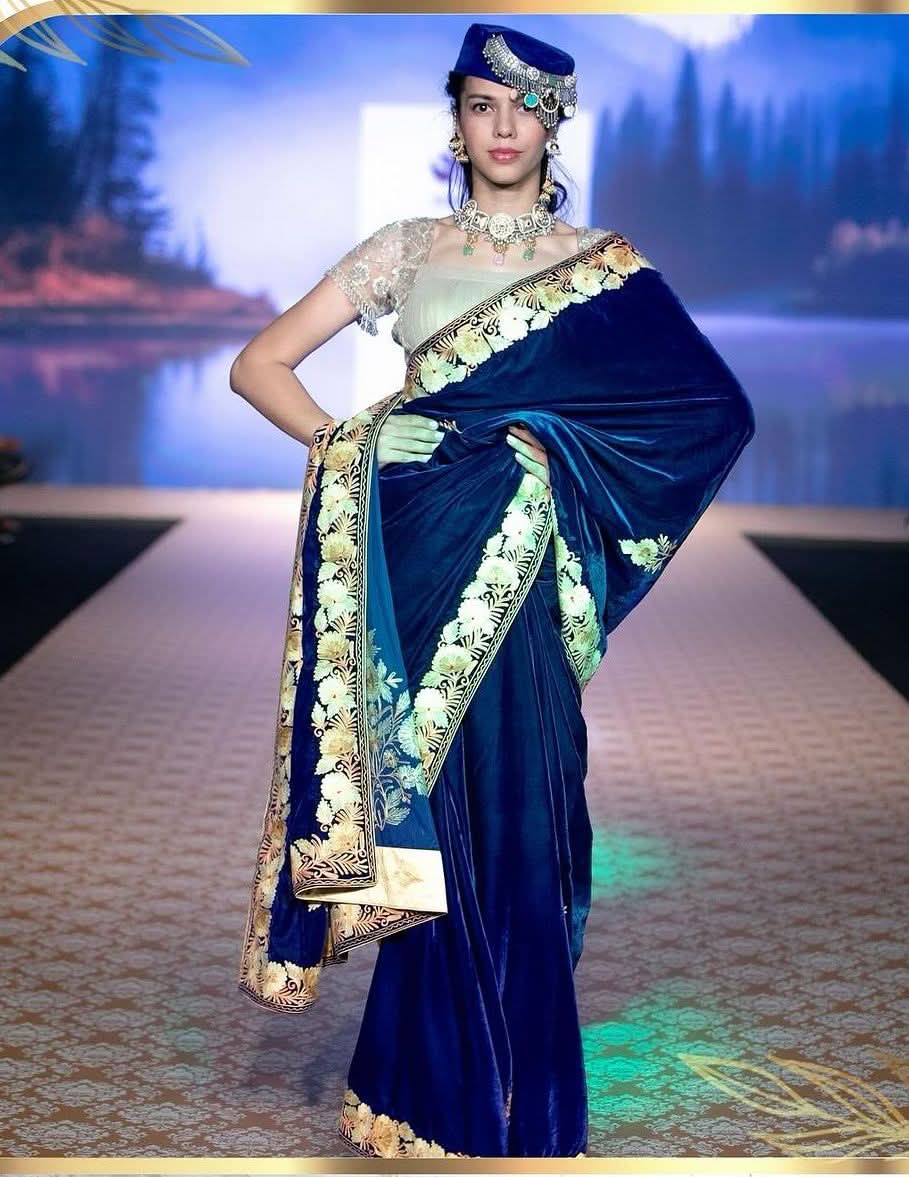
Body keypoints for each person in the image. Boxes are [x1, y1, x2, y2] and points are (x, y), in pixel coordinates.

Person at [230, 21, 756, 1159]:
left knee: (525, 818)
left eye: (524, 108)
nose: (503, 127)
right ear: (457, 121)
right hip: (415, 565)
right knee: (427, 824)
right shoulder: (405, 251)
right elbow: (257, 363)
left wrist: (555, 457)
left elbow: (710, 412)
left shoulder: (603, 266)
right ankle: (419, 1091)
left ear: (553, 124)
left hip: (523, 581)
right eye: (481, 105)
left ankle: (517, 1090)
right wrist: (356, 440)